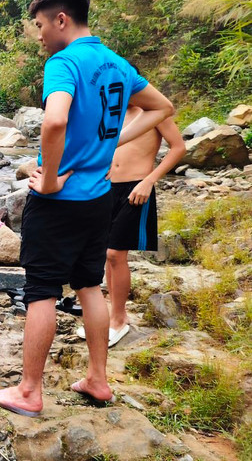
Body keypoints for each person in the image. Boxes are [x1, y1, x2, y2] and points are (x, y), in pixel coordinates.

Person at [0, 0, 174, 417]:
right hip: (100, 197)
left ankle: (30, 391)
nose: (38, 34)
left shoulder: (63, 62)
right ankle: (98, 379)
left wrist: (48, 177)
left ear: (61, 19)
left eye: (39, 25)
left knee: (42, 290)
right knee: (89, 284)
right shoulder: (116, 63)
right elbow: (162, 108)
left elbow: (54, 122)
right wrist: (111, 145)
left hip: (60, 200)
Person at [76, 105, 186, 346]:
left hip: (135, 188)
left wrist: (149, 181)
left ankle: (119, 319)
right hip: (106, 188)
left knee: (116, 254)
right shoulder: (111, 110)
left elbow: (178, 147)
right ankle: (110, 317)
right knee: (107, 254)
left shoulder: (154, 111)